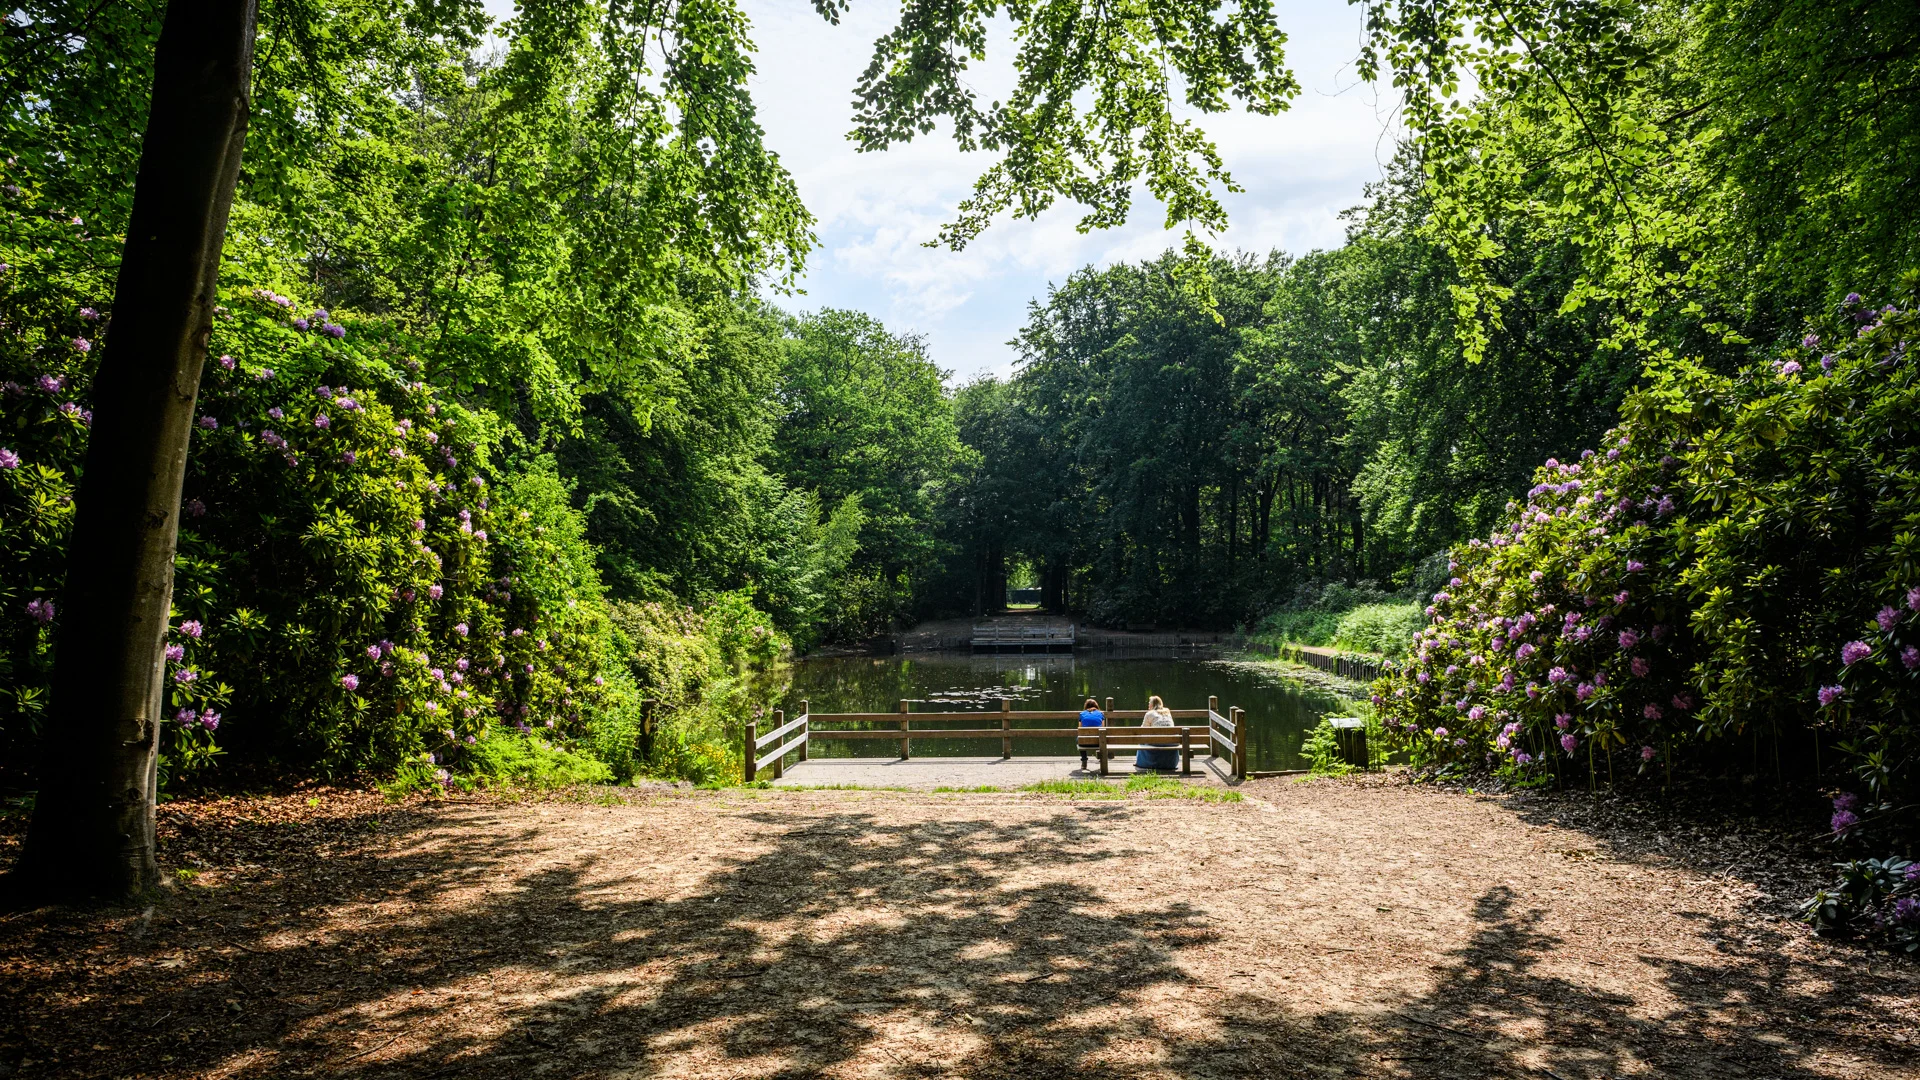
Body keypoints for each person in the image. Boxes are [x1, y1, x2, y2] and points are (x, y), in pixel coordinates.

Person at [1135, 695, 1179, 772]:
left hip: (1156, 743)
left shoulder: (1149, 714)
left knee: (1142, 740)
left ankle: (1144, 762)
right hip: (1171, 742)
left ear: (1152, 705)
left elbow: (1142, 731)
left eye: (1149, 703)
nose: (1148, 704)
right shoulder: (1167, 712)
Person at [1077, 697, 1104, 771]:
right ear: (1096, 706)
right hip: (1099, 742)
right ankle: (1102, 759)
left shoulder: (1082, 714)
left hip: (1084, 742)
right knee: (1103, 738)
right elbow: (1103, 728)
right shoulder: (1101, 714)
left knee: (1078, 738)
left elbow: (1080, 730)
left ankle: (1084, 760)